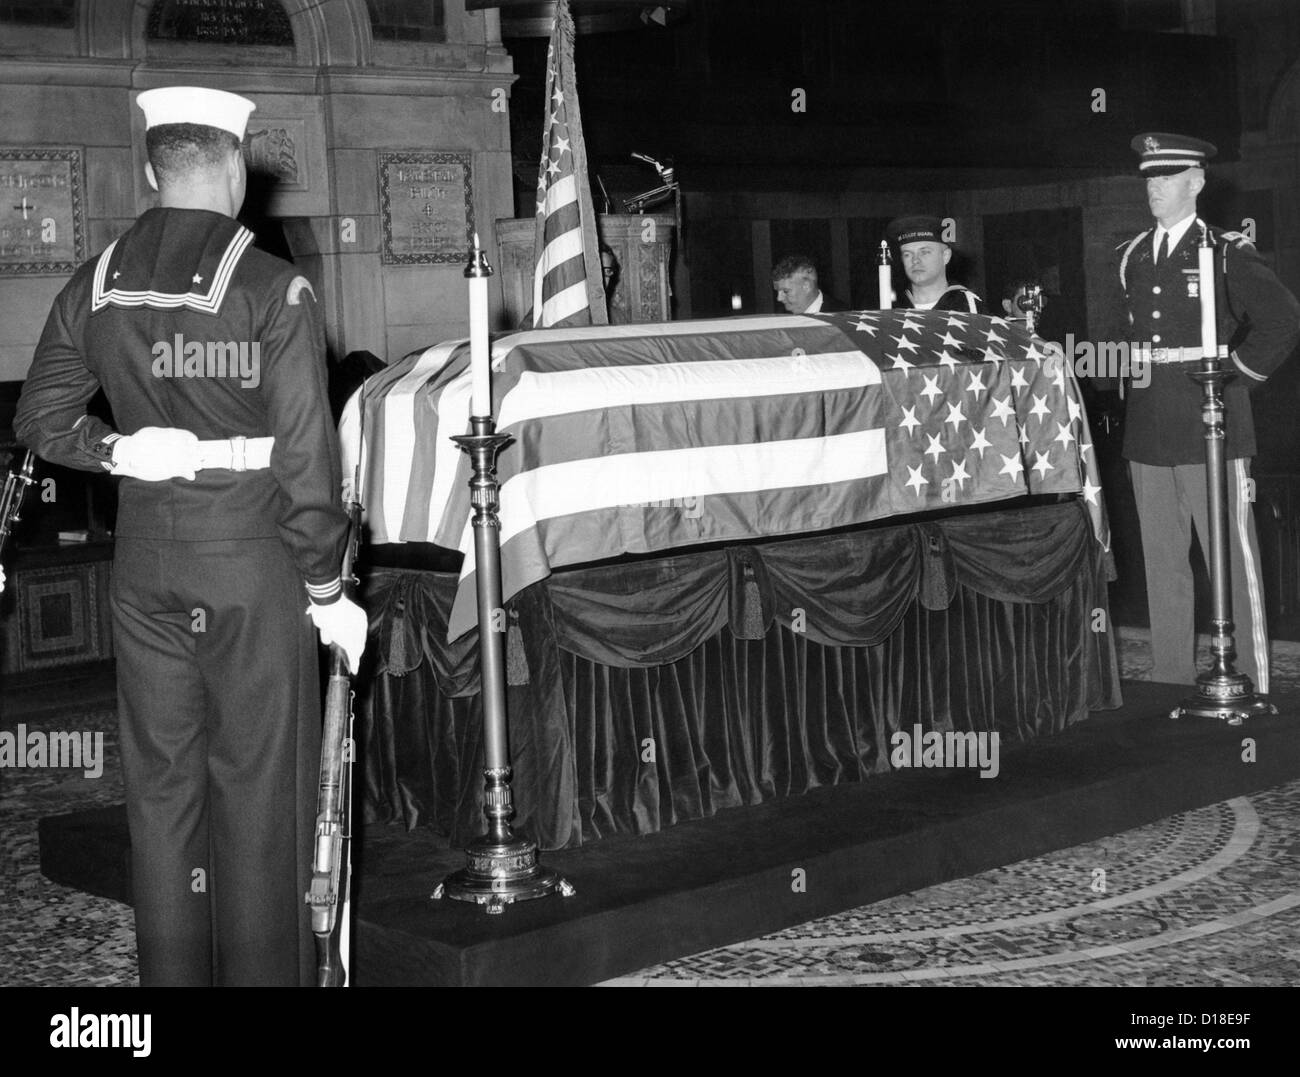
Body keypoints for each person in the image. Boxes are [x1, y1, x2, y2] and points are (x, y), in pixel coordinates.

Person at [14, 86, 368, 986]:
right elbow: (304, 454)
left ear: (148, 170)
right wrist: (328, 591)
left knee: (164, 801)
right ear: (238, 171)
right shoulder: (270, 285)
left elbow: (41, 418)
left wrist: (120, 446)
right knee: (259, 798)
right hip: (251, 562)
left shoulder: (94, 279)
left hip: (143, 567)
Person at [1117, 131, 1300, 694]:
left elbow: (1283, 320)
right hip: (1149, 424)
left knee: (1229, 557)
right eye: (1149, 178)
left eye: (1166, 178)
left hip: (1209, 422)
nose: (1155, 188)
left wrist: (1234, 380)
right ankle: (1172, 677)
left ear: (1195, 183)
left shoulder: (1225, 251)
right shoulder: (1130, 255)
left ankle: (1252, 676)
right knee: (1162, 559)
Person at [885, 216, 986, 313]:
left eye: (924, 252)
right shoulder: (891, 309)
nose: (915, 260)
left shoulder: (971, 309)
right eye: (907, 254)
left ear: (945, 256)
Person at [770, 254, 847, 314]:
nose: (779, 298)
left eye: (786, 291)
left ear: (807, 286)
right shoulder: (778, 319)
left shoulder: (843, 316)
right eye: (777, 291)